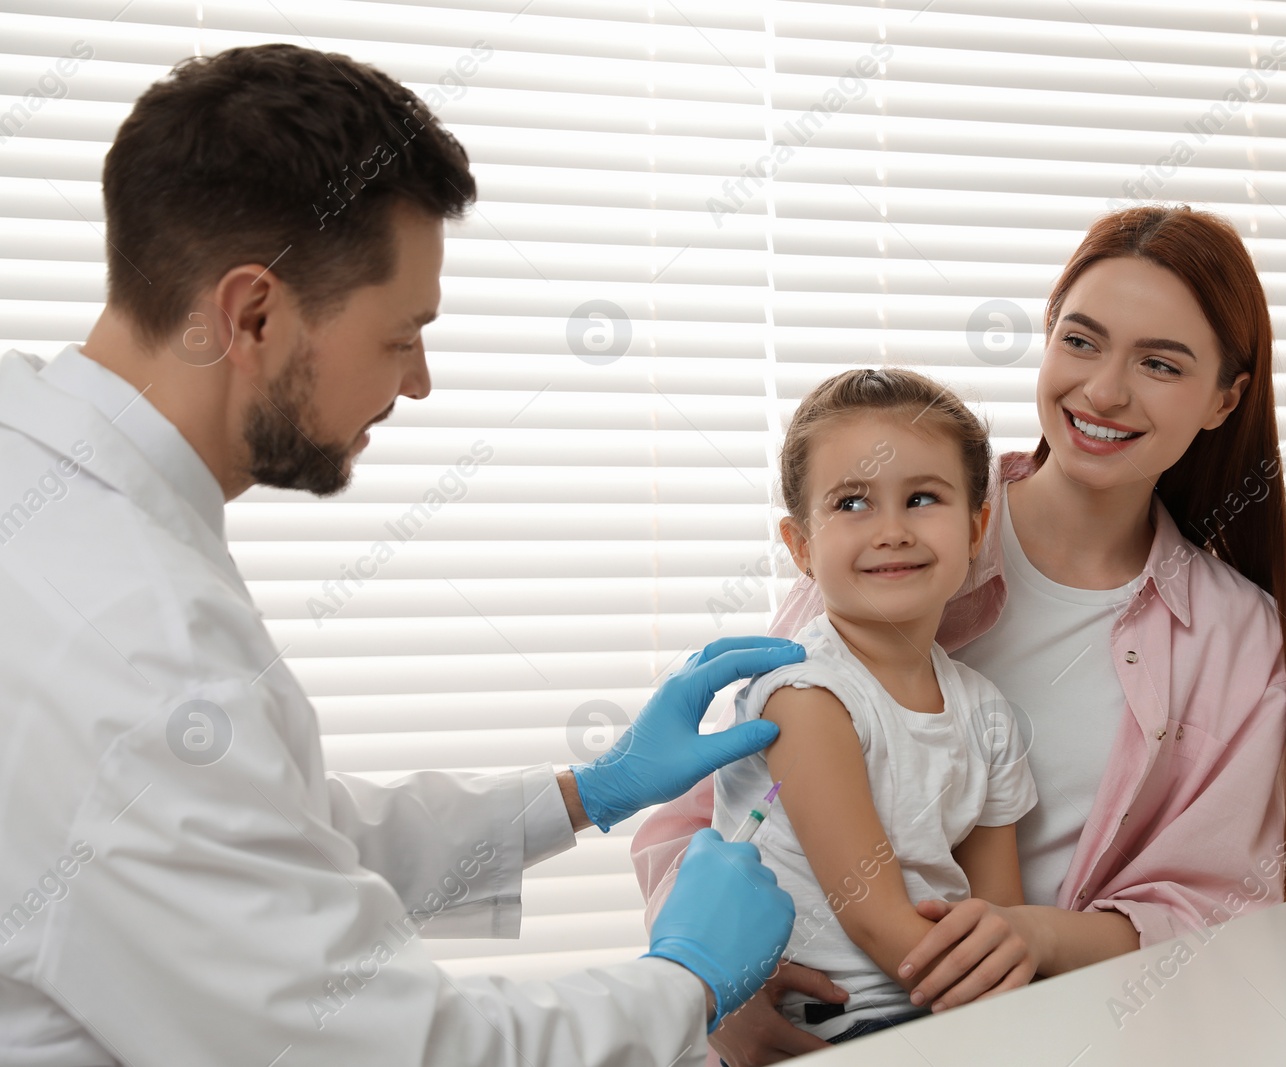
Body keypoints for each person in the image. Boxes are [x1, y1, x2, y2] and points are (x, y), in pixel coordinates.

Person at [0, 44, 804, 1067]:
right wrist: (684, 978)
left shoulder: (43, 468)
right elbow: (382, 1050)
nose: (418, 381)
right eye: (400, 334)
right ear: (253, 314)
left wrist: (584, 792)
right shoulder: (131, 644)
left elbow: (263, 837)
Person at [633, 205, 1286, 1065]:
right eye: (1080, 340)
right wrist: (707, 987)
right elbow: (704, 815)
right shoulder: (899, 536)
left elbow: (1223, 912)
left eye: (1159, 363)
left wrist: (1040, 938)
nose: (1104, 390)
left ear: (1225, 398)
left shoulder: (1233, 636)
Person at [712, 368, 1037, 1045]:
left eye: (922, 497)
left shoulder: (988, 714)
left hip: (943, 1005)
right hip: (839, 1020)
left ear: (978, 527)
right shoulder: (807, 698)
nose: (891, 529)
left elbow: (999, 914)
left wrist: (1009, 1005)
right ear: (802, 545)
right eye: (853, 503)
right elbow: (876, 920)